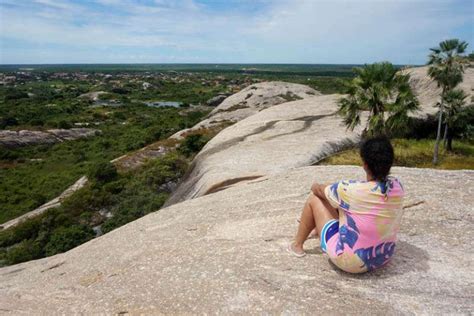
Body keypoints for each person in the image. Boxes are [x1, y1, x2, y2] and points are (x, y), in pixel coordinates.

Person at [288, 136, 405, 273]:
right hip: (382, 257)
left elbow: (318, 190)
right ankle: (316, 230)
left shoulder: (349, 190)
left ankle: (297, 245)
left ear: (365, 165)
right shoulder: (397, 186)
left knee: (315, 199)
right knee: (342, 203)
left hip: (351, 262)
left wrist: (315, 185)